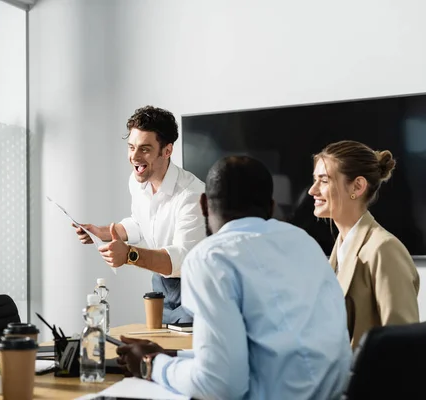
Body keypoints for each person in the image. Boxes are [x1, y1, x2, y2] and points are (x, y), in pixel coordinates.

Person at [116, 156, 351, 400]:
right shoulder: (305, 244)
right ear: (271, 208)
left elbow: (219, 386)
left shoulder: (210, 258)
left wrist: (152, 365)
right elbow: (271, 354)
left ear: (204, 204)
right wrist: (172, 356)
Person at [74, 106, 205, 323]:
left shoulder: (192, 195)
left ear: (167, 151)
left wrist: (128, 255)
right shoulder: (137, 181)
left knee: (184, 353)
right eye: (131, 147)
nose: (134, 157)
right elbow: (139, 222)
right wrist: (103, 232)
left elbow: (183, 259)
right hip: (161, 284)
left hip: (194, 288)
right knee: (159, 350)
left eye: (144, 149)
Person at [308, 140, 419, 348]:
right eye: (315, 180)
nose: (312, 190)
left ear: (357, 186)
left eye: (323, 180)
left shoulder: (384, 249)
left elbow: (404, 347)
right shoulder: (339, 248)